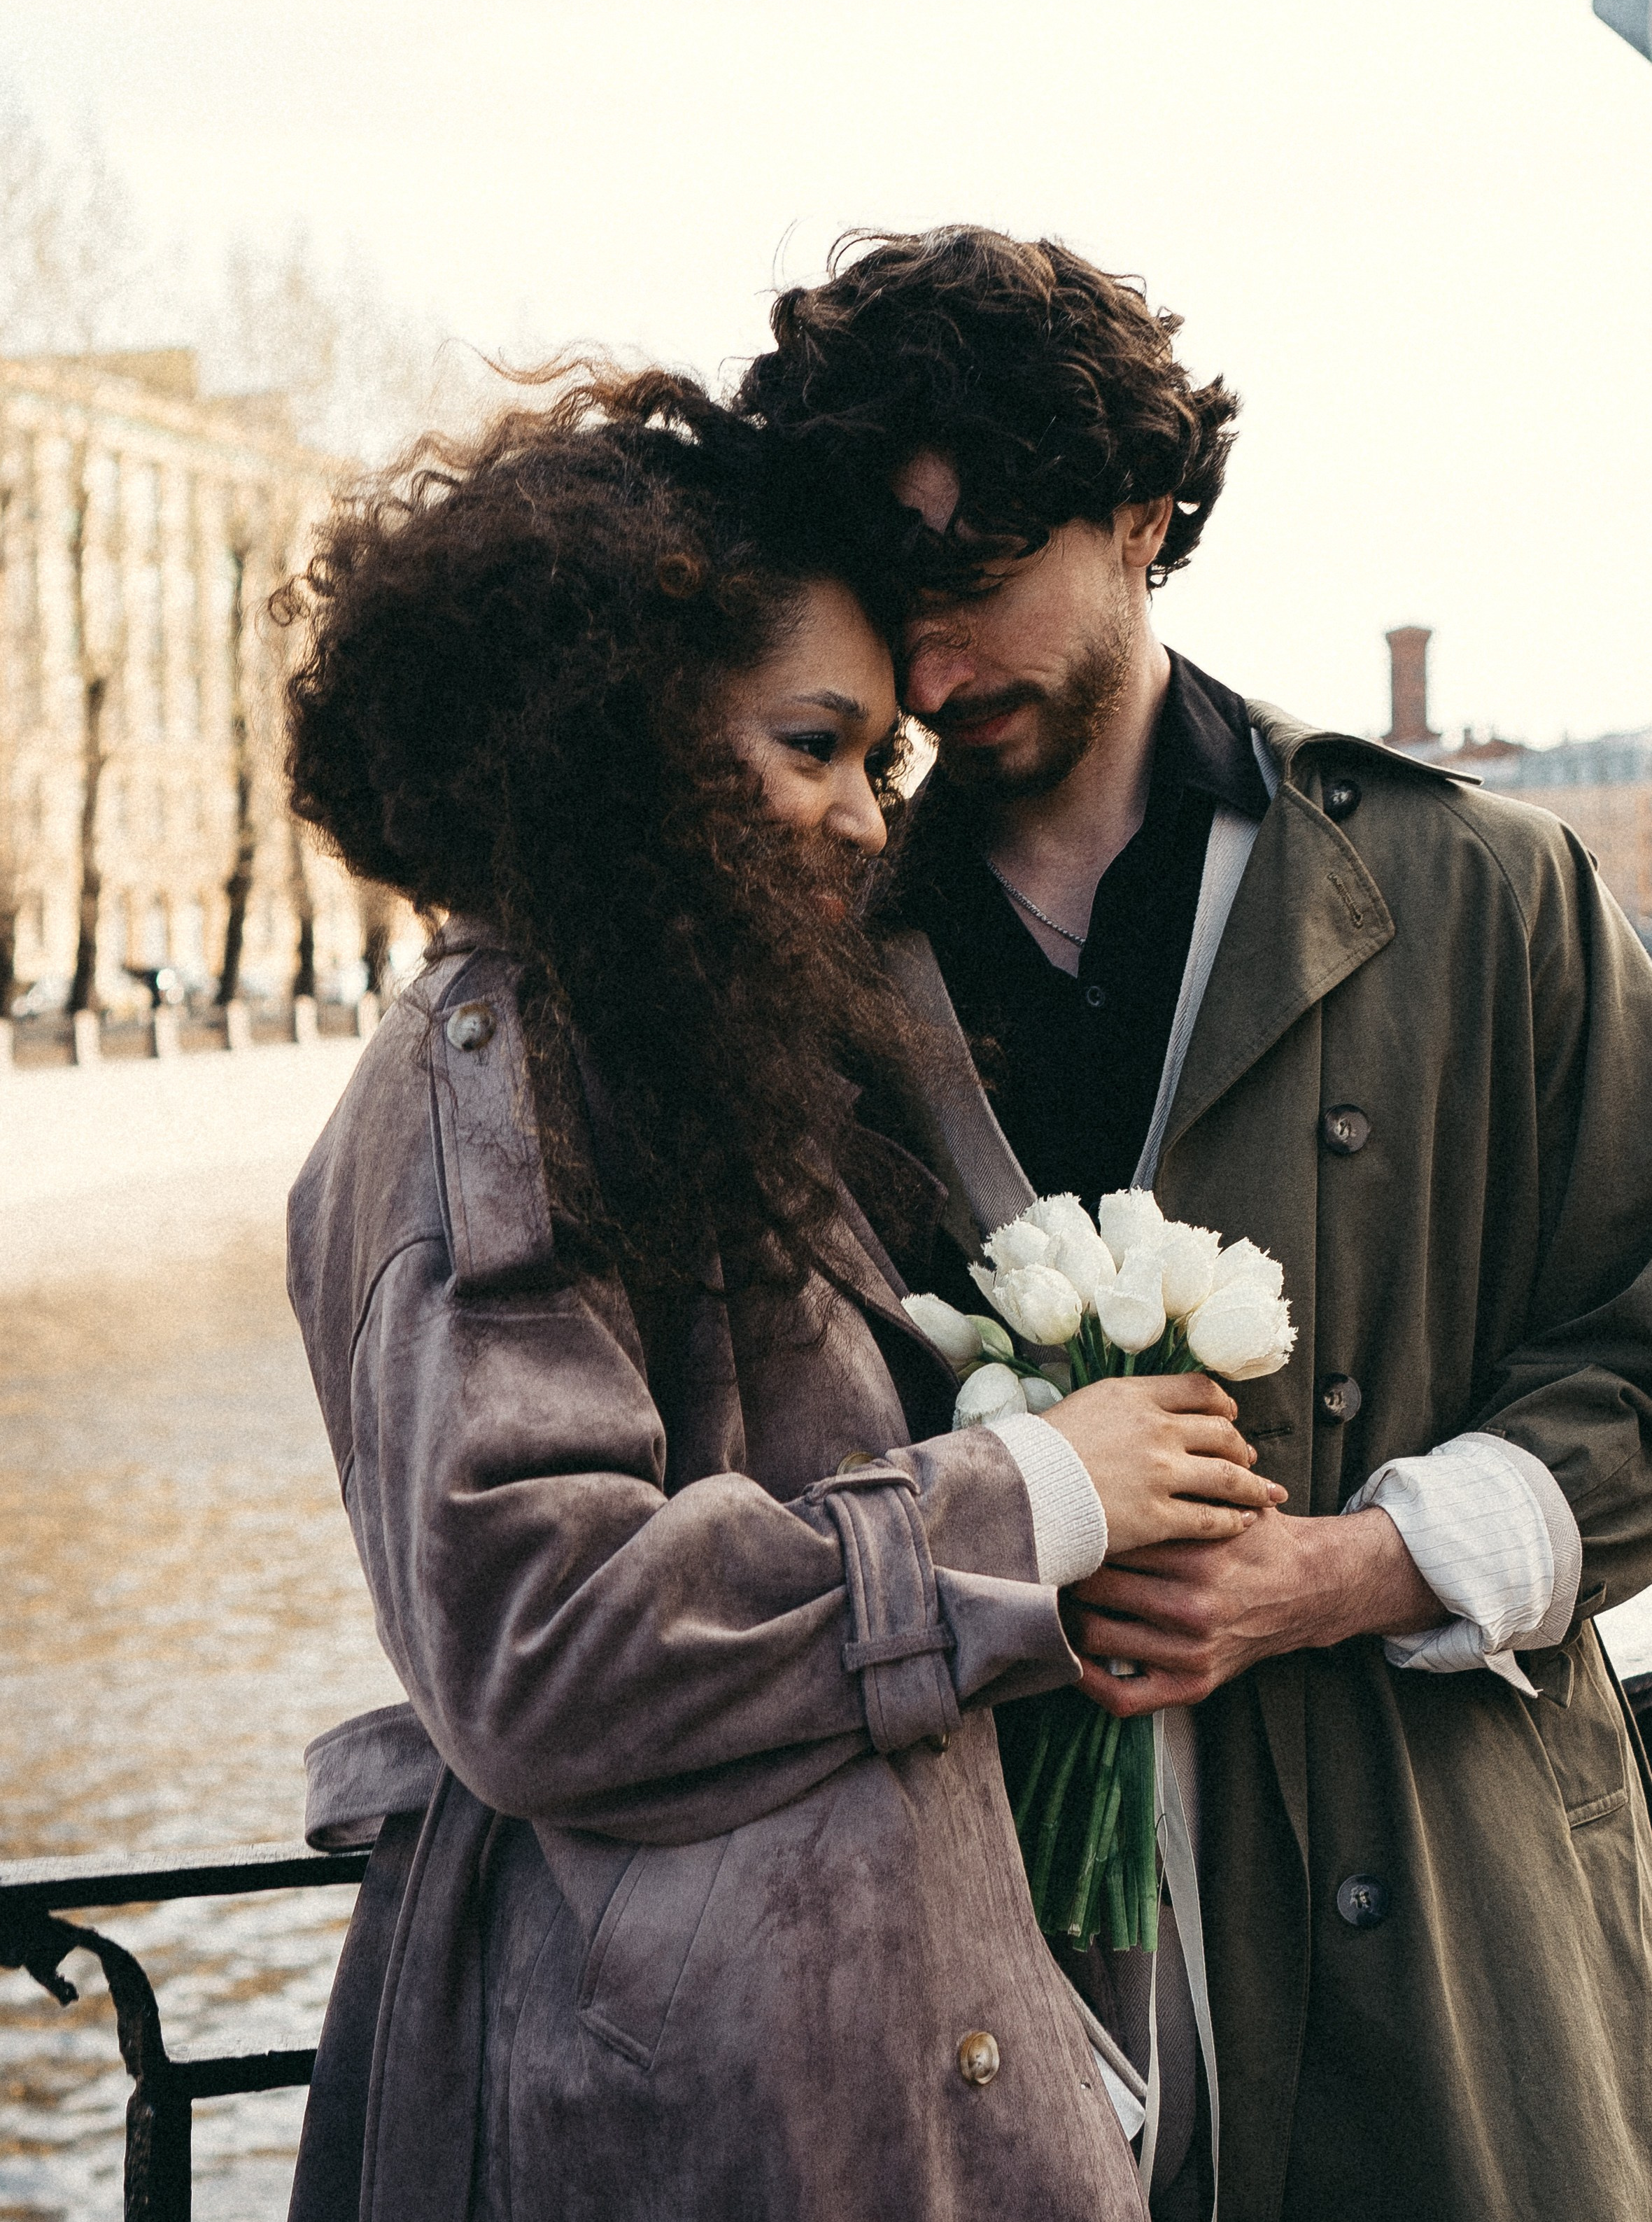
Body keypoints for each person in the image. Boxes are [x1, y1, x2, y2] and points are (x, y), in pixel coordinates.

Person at [277, 368, 1282, 2222]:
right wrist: (1036, 1493)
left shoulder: (662, 1057)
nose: (858, 816)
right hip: (702, 2113)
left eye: (875, 763)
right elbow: (539, 1648)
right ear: (617, 741)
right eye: (810, 746)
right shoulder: (494, 1091)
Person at [735, 227, 1652, 2222]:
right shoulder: (784, 949)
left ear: (1144, 517)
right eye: (895, 598)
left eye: (975, 580)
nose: (934, 664)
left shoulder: (1487, 891)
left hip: (1433, 1956)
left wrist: (1343, 1571)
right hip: (954, 1971)